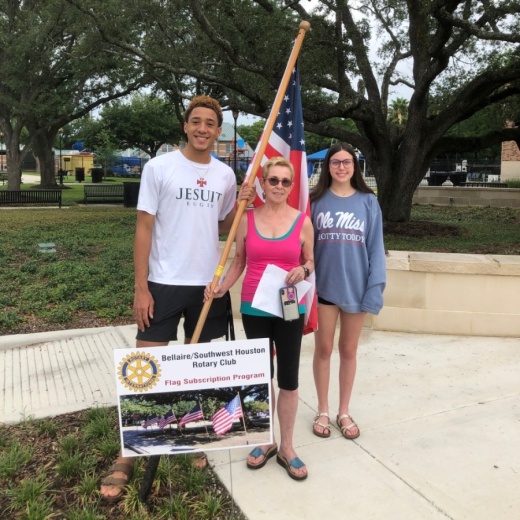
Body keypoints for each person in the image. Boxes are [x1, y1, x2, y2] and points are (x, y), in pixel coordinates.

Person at [100, 95, 255, 502]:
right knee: (144, 367)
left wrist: (242, 204)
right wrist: (141, 286)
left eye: (211, 124)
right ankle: (128, 453)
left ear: (218, 131)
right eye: (196, 121)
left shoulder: (224, 175)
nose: (203, 129)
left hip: (208, 284)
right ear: (185, 126)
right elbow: (144, 228)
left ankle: (188, 436)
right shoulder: (159, 167)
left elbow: (222, 223)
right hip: (164, 282)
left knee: (195, 368)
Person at [205, 157, 314, 481]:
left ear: (291, 187)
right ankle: (265, 441)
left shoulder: (301, 221)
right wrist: (220, 288)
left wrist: (303, 269)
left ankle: (287, 447)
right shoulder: (246, 219)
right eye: (273, 180)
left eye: (285, 181)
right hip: (254, 307)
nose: (279, 186)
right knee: (258, 376)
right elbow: (238, 261)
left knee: (289, 377)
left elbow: (311, 261)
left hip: (289, 307)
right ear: (263, 184)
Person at [310, 142, 386, 440]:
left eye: (347, 162)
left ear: (355, 166)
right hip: (324, 289)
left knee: (349, 350)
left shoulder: (368, 202)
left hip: (357, 289)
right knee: (324, 349)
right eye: (335, 162)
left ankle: (343, 410)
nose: (341, 167)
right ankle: (323, 409)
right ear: (327, 167)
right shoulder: (315, 201)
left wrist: (374, 289)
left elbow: (376, 250)